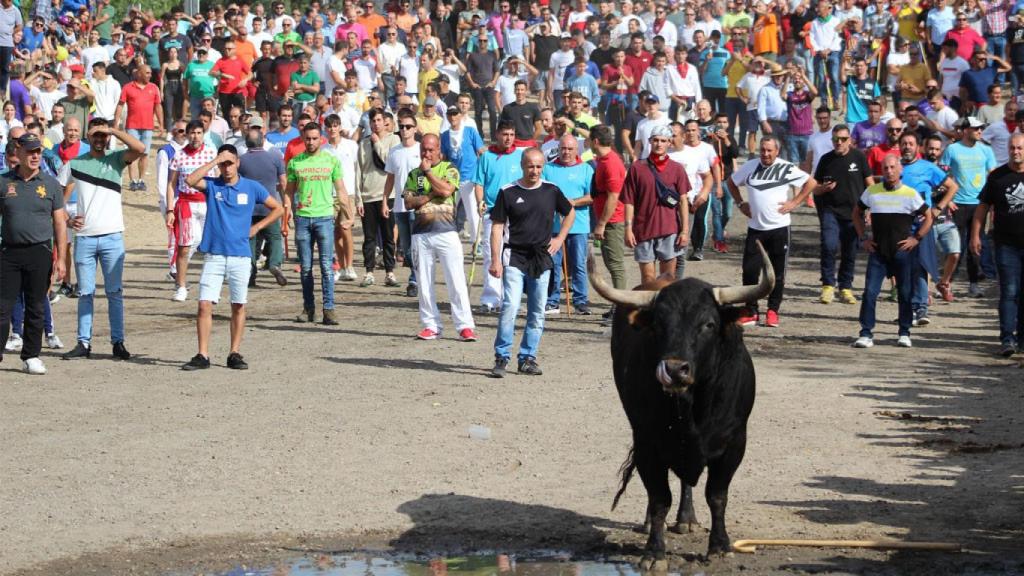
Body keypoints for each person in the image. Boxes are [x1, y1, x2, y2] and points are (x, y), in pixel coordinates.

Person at [179, 145, 284, 371]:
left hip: (240, 256)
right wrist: (215, 160)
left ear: (238, 163)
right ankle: (202, 354)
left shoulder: (251, 187)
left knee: (238, 305)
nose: (227, 168)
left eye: (230, 163)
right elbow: (189, 180)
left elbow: (278, 208)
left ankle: (234, 352)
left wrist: (257, 227)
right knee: (204, 304)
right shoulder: (212, 185)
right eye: (223, 164)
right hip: (215, 254)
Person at [60, 119, 146, 361]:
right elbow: (56, 192)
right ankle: (83, 343)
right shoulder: (75, 163)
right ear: (88, 136)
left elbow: (140, 148)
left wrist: (113, 130)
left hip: (112, 236)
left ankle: (117, 342)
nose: (100, 139)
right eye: (95, 135)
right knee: (85, 293)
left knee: (114, 293)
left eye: (103, 136)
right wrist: (66, 218)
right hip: (85, 237)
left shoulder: (116, 158)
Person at [488, 147, 575, 378]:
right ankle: (502, 356)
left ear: (543, 166)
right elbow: (497, 227)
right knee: (510, 306)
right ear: (522, 165)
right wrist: (495, 259)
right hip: (514, 256)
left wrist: (560, 238)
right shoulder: (507, 192)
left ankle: (527, 358)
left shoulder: (551, 190)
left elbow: (570, 212)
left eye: (538, 166)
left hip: (541, 257)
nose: (534, 171)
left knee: (537, 311)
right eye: (530, 166)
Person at [728, 135, 816, 327]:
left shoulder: (786, 167)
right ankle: (751, 311)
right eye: (763, 150)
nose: (765, 154)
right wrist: (741, 203)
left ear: (777, 151)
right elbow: (731, 183)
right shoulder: (750, 166)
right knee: (750, 272)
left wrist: (794, 202)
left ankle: (772, 311)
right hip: (755, 229)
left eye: (769, 150)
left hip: (779, 228)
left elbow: (811, 183)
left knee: (777, 273)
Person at [0, 133, 67, 374]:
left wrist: (61, 259)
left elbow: (59, 222)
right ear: (18, 153)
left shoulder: (50, 184)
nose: (35, 155)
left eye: (38, 151)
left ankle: (31, 355)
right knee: (2, 306)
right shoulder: (4, 182)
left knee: (36, 306)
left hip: (40, 252)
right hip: (8, 252)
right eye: (30, 151)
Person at [401, 133, 477, 341]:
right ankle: (431, 325)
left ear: (439, 151)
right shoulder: (413, 174)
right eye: (424, 149)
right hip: (421, 233)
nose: (426, 153)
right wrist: (429, 195)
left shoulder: (449, 168)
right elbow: (408, 202)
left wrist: (428, 174)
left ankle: (464, 326)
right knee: (424, 282)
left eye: (431, 150)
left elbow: (446, 189)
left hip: (446, 231)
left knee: (456, 280)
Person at [852, 155, 933, 349]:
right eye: (885, 168)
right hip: (878, 251)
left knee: (905, 293)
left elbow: (929, 216)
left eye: (892, 167)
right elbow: (856, 213)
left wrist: (916, 238)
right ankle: (866, 333)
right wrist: (863, 237)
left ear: (900, 170)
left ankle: (904, 332)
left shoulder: (910, 194)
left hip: (902, 252)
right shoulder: (872, 191)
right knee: (870, 292)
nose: (889, 171)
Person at [286, 122, 351, 325]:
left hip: (324, 218)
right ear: (303, 138)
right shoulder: (295, 162)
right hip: (303, 218)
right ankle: (308, 308)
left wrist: (348, 214)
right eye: (308, 138)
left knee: (326, 266)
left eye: (315, 138)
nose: (311, 142)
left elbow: (340, 189)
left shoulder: (331, 161)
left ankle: (329, 309)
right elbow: (289, 191)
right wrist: (286, 213)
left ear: (321, 139)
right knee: (305, 267)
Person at [898, 131, 958, 326]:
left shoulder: (928, 168)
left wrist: (938, 208)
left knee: (921, 266)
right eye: (904, 143)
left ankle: (921, 308)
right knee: (902, 269)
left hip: (922, 224)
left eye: (911, 143)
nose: (907, 146)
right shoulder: (894, 168)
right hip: (899, 224)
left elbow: (952, 187)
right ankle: (906, 310)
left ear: (918, 147)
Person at [972, 133, 1024, 356]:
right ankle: (1007, 338)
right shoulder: (997, 177)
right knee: (1009, 291)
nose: (1016, 152)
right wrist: (975, 236)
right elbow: (982, 208)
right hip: (1006, 244)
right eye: (1012, 148)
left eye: (1020, 148)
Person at [622, 124, 691, 284]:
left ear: (669, 143)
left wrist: (685, 231)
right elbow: (629, 201)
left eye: (663, 140)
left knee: (668, 280)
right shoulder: (636, 168)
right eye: (656, 140)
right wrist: (628, 229)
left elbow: (683, 201)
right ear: (649, 141)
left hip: (669, 230)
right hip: (643, 229)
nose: (659, 144)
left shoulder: (677, 169)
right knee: (648, 281)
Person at [814, 123, 874, 305]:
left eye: (843, 139)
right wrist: (822, 188)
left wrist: (871, 208)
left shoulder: (859, 157)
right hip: (830, 210)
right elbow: (813, 188)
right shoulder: (826, 159)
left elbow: (870, 184)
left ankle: (845, 287)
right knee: (829, 245)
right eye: (835, 139)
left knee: (850, 251)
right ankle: (827, 285)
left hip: (854, 213)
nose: (839, 142)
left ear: (850, 140)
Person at [942, 116, 997, 297]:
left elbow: (993, 176)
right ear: (965, 130)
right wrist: (947, 199)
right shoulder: (952, 149)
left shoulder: (986, 150)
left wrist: (992, 202)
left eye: (981, 128)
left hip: (979, 205)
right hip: (957, 204)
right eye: (976, 128)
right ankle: (947, 281)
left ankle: (973, 284)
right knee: (955, 246)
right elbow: (941, 176)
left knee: (976, 245)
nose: (980, 131)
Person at [472, 121, 524, 313]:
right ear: (497, 134)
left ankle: (510, 299)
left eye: (511, 134)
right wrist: (479, 202)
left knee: (511, 258)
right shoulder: (486, 156)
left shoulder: (520, 156)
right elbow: (479, 183)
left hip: (515, 214)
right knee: (491, 255)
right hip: (493, 213)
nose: (508, 138)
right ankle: (491, 298)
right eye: (505, 134)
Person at [166, 120, 218, 302]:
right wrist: (170, 208)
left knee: (210, 246)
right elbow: (171, 184)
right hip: (186, 203)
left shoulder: (211, 154)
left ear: (203, 134)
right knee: (184, 247)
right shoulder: (179, 155)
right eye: (192, 133)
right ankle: (180, 286)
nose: (195, 136)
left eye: (199, 133)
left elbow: (218, 180)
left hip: (207, 203)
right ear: (187, 134)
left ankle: (211, 287)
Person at [542, 134, 594, 315]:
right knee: (553, 264)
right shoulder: (548, 169)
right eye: (563, 148)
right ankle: (552, 300)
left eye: (570, 149)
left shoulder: (586, 169)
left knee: (579, 264)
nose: (566, 152)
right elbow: (541, 192)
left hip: (578, 226)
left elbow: (591, 197)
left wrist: (572, 202)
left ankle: (580, 301)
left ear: (576, 150)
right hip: (554, 227)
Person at [238, 121, 288, 288]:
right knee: (274, 237)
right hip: (270, 205)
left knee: (250, 240)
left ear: (246, 143)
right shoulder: (275, 156)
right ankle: (274, 263)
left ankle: (250, 275)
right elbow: (283, 182)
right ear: (262, 140)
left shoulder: (241, 160)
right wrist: (285, 201)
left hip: (248, 208)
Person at [356, 108, 400, 288]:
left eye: (379, 120)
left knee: (389, 236)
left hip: (387, 195)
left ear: (385, 121)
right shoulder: (363, 143)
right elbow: (359, 170)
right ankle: (369, 272)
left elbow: (389, 162)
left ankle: (390, 272)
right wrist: (358, 198)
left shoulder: (394, 139)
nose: (376, 124)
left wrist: (377, 143)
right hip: (367, 196)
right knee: (369, 238)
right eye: (373, 121)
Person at [590, 124, 628, 322]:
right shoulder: (605, 159)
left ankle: (621, 309)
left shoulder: (611, 163)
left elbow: (614, 196)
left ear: (595, 141)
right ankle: (617, 307)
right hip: (608, 219)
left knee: (616, 265)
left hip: (612, 220)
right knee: (611, 263)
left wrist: (602, 223)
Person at [384, 110, 423, 298]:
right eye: (402, 127)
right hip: (399, 206)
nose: (405, 130)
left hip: (419, 206)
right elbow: (390, 179)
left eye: (408, 126)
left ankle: (415, 280)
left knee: (418, 245)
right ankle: (417, 275)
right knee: (406, 248)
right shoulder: (394, 152)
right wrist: (385, 200)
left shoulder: (422, 150)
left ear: (415, 129)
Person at [116, 66, 163, 192]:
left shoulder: (154, 88)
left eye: (150, 73)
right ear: (139, 73)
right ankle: (132, 180)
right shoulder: (128, 87)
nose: (149, 75)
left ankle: (141, 180)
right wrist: (116, 122)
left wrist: (161, 124)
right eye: (147, 73)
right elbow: (120, 105)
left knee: (145, 153)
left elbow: (158, 107)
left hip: (148, 126)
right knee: (131, 153)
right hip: (132, 126)